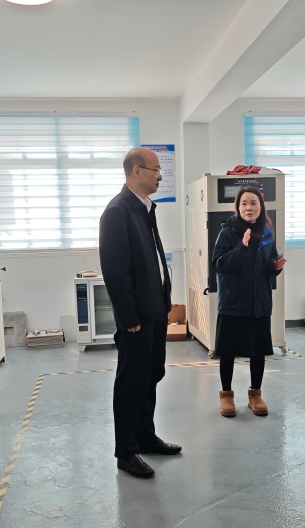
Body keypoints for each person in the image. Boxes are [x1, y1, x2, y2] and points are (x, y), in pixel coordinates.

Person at [98, 147, 182, 479]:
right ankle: (126, 451)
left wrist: (164, 303)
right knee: (131, 382)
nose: (160, 175)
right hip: (137, 319)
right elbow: (115, 272)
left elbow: (154, 262)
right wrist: (129, 317)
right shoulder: (117, 212)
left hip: (155, 311)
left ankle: (145, 436)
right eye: (156, 169)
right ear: (136, 171)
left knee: (151, 376)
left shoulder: (146, 208)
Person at [212, 186, 286, 417]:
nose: (249, 208)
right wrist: (241, 248)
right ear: (238, 207)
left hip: (258, 303)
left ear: (260, 206)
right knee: (228, 352)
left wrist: (275, 267)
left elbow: (268, 262)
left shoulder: (266, 232)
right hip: (233, 303)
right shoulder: (228, 232)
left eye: (253, 203)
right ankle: (226, 394)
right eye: (244, 203)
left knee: (258, 351)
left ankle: (255, 394)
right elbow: (219, 264)